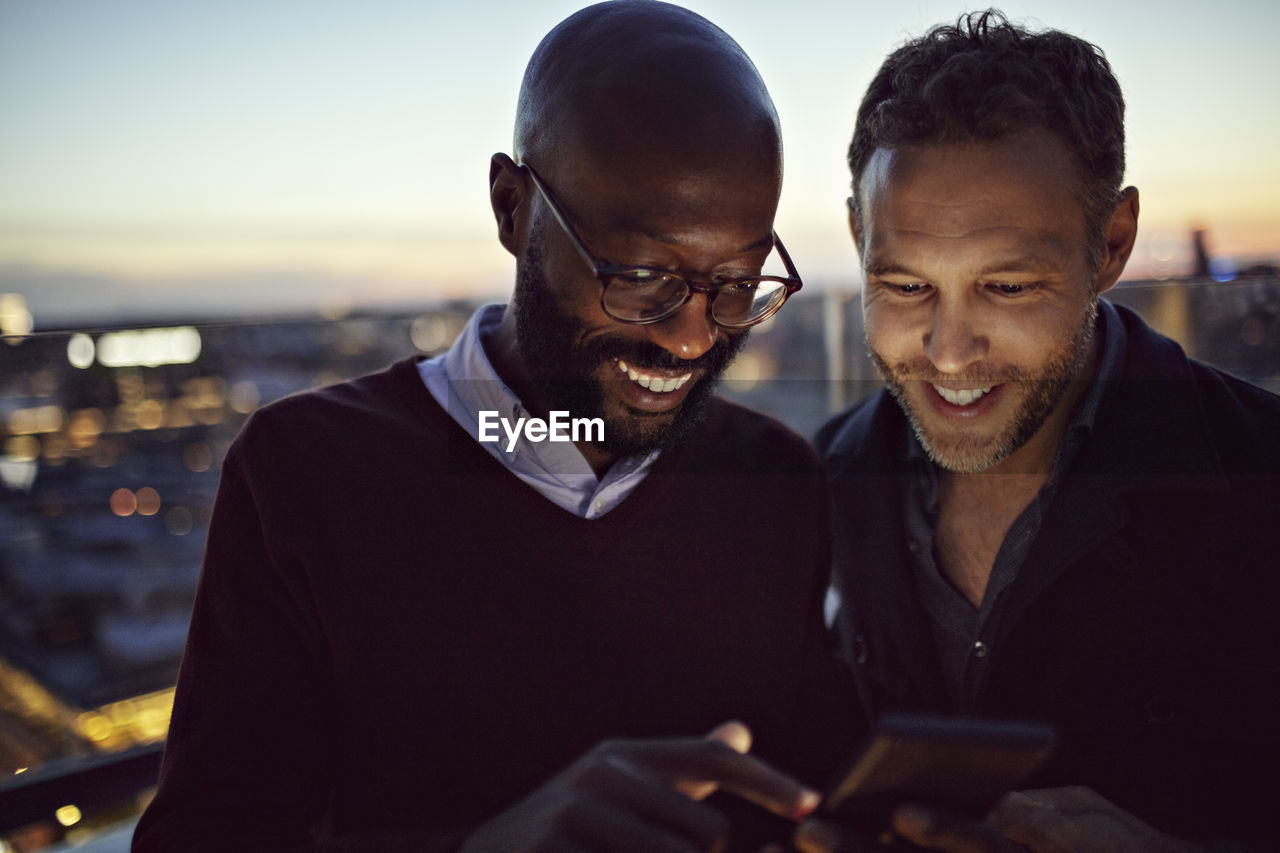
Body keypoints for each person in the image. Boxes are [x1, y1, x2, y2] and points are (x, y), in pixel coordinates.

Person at [132, 2, 856, 851]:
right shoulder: (309, 473)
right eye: (640, 274)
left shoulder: (773, 478)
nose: (692, 335)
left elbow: (811, 790)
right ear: (513, 209)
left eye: (736, 282)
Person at [807, 10, 1280, 852]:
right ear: (858, 237)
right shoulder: (812, 492)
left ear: (1112, 244)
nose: (948, 353)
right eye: (907, 286)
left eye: (1009, 288)